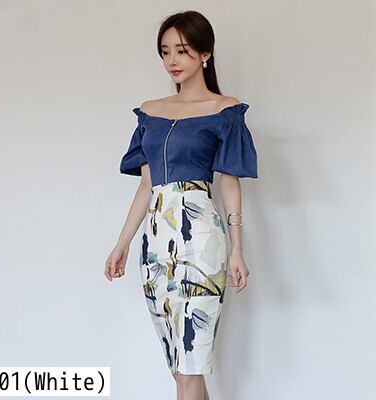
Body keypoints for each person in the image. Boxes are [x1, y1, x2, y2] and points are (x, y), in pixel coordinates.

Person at [105, 10, 258, 400]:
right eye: (165, 51)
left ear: (205, 54)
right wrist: (122, 243)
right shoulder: (150, 113)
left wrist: (237, 249)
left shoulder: (225, 110)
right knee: (180, 367)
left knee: (191, 365)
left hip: (201, 244)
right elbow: (146, 185)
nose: (172, 60)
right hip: (155, 247)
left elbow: (229, 182)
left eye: (182, 50)